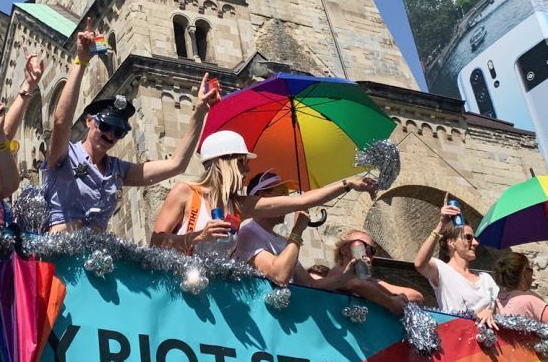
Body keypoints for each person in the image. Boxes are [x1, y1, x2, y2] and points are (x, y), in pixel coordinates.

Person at [42, 20, 219, 232]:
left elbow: (177, 165)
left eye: (119, 131)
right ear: (89, 121)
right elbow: (61, 122)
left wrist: (199, 112)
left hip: (94, 257)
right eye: (106, 125)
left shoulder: (118, 170)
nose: (110, 134)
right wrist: (81, 61)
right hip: (58, 254)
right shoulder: (63, 156)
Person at [232, 168, 377, 286]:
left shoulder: (282, 241)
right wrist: (298, 230)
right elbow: (279, 276)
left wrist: (345, 277)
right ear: (263, 196)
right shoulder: (248, 233)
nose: (288, 201)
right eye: (282, 194)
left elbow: (310, 285)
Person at [149, 130, 252, 255]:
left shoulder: (236, 204)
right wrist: (197, 237)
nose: (248, 169)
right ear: (221, 163)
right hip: (181, 273)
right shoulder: (185, 192)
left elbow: (275, 204)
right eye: (241, 161)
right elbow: (155, 242)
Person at [413, 202, 499, 327]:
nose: (475, 243)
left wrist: (490, 311)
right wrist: (440, 225)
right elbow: (420, 264)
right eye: (468, 237)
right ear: (452, 243)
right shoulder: (442, 270)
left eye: (475, 238)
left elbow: (500, 310)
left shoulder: (486, 278)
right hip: (458, 340)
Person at [325, 229, 425, 316]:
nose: (367, 250)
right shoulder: (338, 272)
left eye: (371, 249)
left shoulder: (373, 282)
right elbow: (355, 284)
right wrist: (391, 302)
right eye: (361, 245)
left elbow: (417, 296)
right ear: (344, 250)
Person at [492, 251, 548, 333]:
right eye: (530, 268)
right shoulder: (529, 301)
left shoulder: (496, 302)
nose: (532, 273)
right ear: (524, 272)